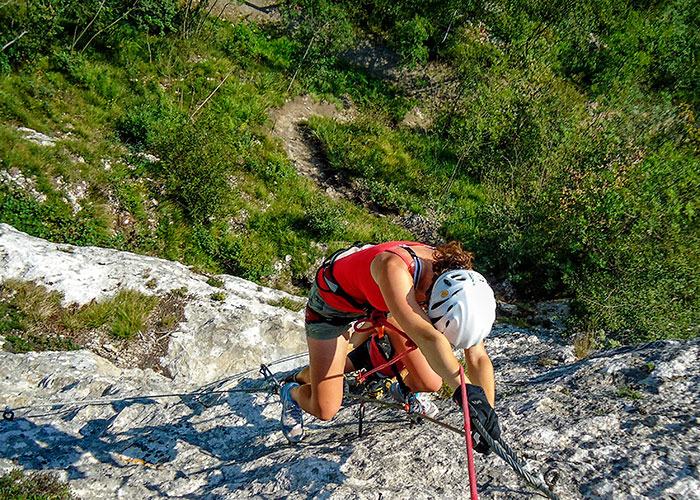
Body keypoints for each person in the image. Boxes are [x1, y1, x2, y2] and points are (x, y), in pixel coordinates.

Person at [280, 241, 500, 452]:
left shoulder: (464, 285)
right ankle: (292, 392)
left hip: (389, 301)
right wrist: (464, 392)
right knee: (325, 408)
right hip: (334, 304)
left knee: (430, 382)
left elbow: (478, 355)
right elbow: (428, 337)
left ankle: (390, 377)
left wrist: (484, 416)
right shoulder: (394, 268)